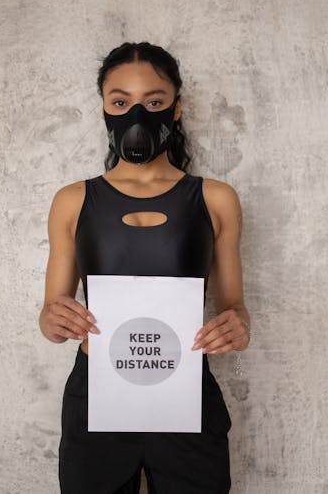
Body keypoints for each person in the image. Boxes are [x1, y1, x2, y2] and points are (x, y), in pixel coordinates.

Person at [39, 41, 251, 494]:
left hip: (185, 395)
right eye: (121, 102)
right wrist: (54, 319)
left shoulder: (215, 199)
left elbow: (235, 307)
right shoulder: (72, 201)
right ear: (103, 109)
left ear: (176, 109)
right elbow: (51, 316)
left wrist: (236, 326)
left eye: (154, 102)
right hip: (98, 396)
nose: (137, 115)